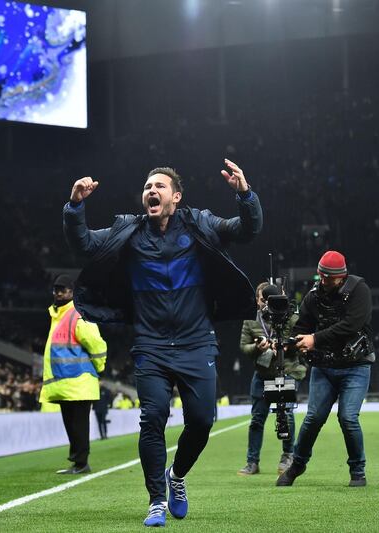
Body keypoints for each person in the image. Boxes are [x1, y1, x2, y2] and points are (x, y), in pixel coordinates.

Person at [63, 160, 262, 526]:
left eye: (159, 186)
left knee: (202, 421)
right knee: (152, 419)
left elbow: (246, 229)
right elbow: (86, 244)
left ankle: (177, 477)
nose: (151, 191)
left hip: (197, 342)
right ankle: (156, 500)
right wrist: (75, 207)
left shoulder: (199, 222)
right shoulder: (129, 229)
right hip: (151, 344)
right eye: (146, 186)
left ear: (176, 196)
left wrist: (245, 195)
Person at [277, 250, 374, 488]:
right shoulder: (312, 296)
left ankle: (358, 471)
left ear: (342, 276)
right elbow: (301, 326)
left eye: (328, 277)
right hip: (324, 366)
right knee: (313, 418)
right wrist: (291, 341)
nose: (323, 281)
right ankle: (297, 465)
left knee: (348, 418)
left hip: (356, 366)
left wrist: (314, 339)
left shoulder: (360, 291)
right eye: (321, 276)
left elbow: (351, 325)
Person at [39, 274, 108, 475]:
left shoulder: (77, 314)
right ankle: (78, 461)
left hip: (79, 381)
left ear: (72, 292)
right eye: (56, 289)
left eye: (63, 290)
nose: (59, 293)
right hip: (65, 383)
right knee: (71, 425)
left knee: (77, 425)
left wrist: (99, 366)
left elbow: (97, 344)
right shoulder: (58, 315)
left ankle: (81, 462)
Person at [238, 282, 307, 476]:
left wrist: (286, 346)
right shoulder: (251, 320)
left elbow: (301, 340)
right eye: (261, 299)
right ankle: (252, 462)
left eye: (269, 299)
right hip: (263, 373)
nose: (264, 303)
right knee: (257, 419)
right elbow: (244, 346)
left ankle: (288, 455)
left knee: (286, 414)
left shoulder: (290, 317)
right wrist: (257, 347)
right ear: (258, 300)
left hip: (288, 370)